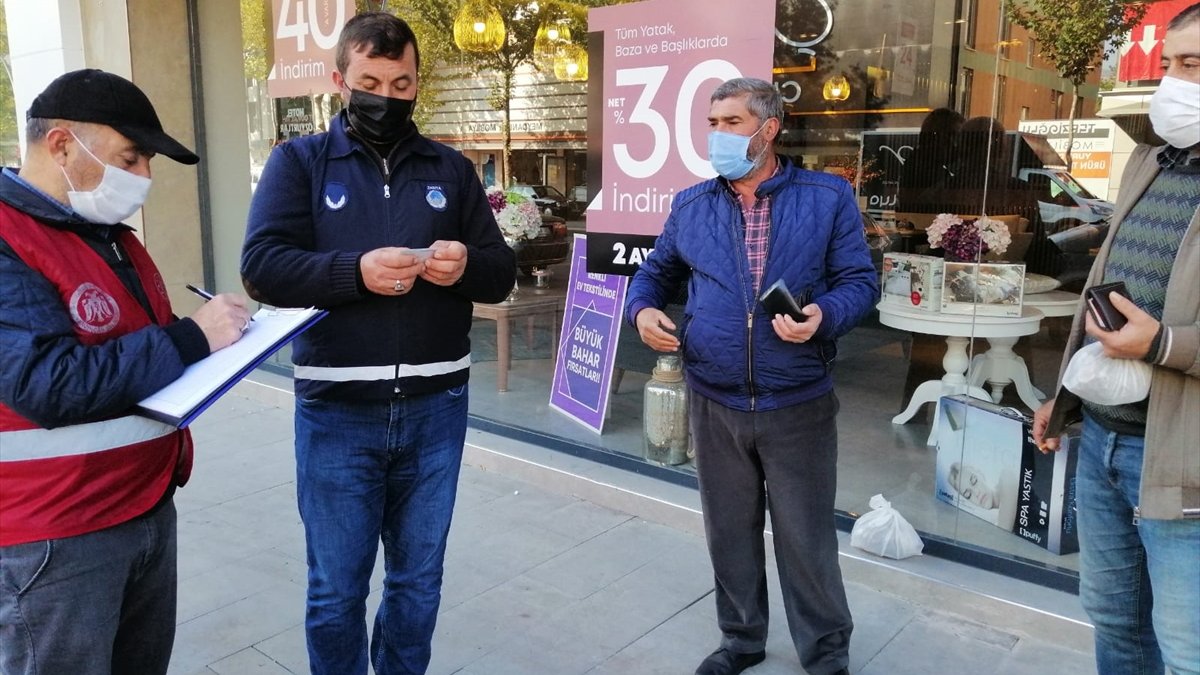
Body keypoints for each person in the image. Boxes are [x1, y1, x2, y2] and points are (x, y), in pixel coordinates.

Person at [240, 12, 515, 675]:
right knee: (336, 590)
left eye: (400, 82)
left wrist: (465, 266)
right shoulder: (299, 162)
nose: (385, 96)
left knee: (418, 584)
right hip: (337, 412)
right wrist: (352, 272)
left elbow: (499, 273)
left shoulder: (450, 169)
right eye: (369, 80)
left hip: (435, 408)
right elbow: (262, 266)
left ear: (417, 83)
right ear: (339, 79)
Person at [0, 69, 251, 674]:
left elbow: (137, 354)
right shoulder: (10, 238)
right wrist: (193, 336)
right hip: (56, 532)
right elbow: (48, 383)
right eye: (129, 158)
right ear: (61, 145)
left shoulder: (106, 235)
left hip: (140, 507)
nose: (143, 178)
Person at [625, 77, 877, 675]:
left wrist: (823, 317)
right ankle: (741, 642)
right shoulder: (691, 204)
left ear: (770, 129)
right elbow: (655, 275)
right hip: (715, 398)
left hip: (797, 399)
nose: (717, 135)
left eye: (731, 123)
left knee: (806, 539)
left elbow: (860, 283)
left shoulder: (827, 197)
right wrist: (643, 310)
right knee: (729, 534)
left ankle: (826, 654)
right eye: (712, 123)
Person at [1032, 4, 1200, 674]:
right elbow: (1104, 289)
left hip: (1182, 461)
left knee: (1188, 648)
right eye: (1168, 64)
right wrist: (1064, 400)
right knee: (1115, 621)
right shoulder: (1149, 161)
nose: (1172, 83)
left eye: (1192, 65)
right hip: (1103, 440)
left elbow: (1152, 335)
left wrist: (1162, 346)